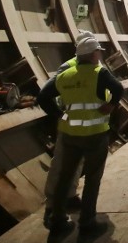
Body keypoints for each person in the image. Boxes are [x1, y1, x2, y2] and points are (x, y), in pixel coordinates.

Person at [37, 34, 124, 238]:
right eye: (98, 52)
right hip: (94, 134)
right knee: (92, 179)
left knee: (65, 176)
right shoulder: (96, 72)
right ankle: (87, 222)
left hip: (70, 133)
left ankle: (57, 218)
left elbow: (43, 97)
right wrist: (110, 106)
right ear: (93, 53)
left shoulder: (66, 73)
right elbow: (118, 89)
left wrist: (62, 115)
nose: (99, 55)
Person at [40, 32, 97, 228]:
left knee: (77, 163)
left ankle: (70, 197)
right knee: (63, 164)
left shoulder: (89, 67)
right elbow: (44, 96)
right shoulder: (69, 68)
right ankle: (51, 211)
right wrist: (62, 116)